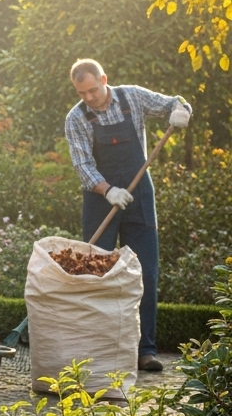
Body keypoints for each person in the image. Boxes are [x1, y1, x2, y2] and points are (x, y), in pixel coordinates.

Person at [65, 59, 191, 373]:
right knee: (99, 275)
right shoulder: (77, 117)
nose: (90, 97)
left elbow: (173, 103)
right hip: (100, 201)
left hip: (138, 198)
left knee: (146, 274)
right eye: (83, 93)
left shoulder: (132, 97)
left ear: (104, 79)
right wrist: (108, 191)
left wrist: (181, 110)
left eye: (94, 89)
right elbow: (82, 166)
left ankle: (145, 350)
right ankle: (102, 353)